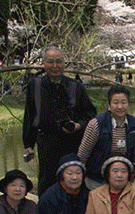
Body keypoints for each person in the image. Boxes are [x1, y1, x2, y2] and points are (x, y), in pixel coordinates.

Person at [22, 46, 96, 195]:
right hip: (46, 141)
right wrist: (28, 144)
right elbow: (30, 116)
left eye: (59, 61)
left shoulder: (76, 86)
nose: (55, 66)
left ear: (64, 64)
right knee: (47, 183)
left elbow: (90, 114)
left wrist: (78, 125)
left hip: (71, 142)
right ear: (44, 63)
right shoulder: (35, 85)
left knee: (72, 181)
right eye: (50, 62)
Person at [78, 84, 135, 190]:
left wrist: (133, 175)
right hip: (97, 178)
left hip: (122, 178)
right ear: (109, 105)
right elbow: (83, 154)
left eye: (123, 102)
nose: (120, 107)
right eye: (115, 103)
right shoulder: (96, 123)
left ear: (128, 104)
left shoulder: (134, 124)